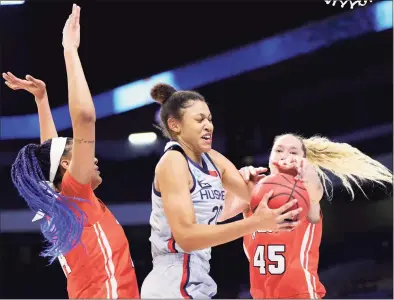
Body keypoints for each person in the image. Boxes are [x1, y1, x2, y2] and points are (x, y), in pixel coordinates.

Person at [6, 5, 139, 299]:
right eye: (79, 153)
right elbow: (85, 119)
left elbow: (51, 156)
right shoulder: (75, 197)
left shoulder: (60, 203)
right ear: (68, 165)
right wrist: (70, 50)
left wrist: (42, 100)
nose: (92, 156)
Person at [140, 84, 303, 299]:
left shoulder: (212, 160)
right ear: (175, 125)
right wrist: (256, 222)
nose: (208, 126)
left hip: (196, 277)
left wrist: (260, 180)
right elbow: (187, 237)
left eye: (210, 119)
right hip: (172, 281)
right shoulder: (173, 162)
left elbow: (254, 200)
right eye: (200, 120)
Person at [235, 133, 393, 299]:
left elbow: (315, 189)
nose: (285, 156)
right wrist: (240, 178)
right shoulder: (256, 201)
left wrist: (304, 169)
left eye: (293, 152)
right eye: (279, 150)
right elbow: (221, 211)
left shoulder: (304, 194)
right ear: (270, 158)